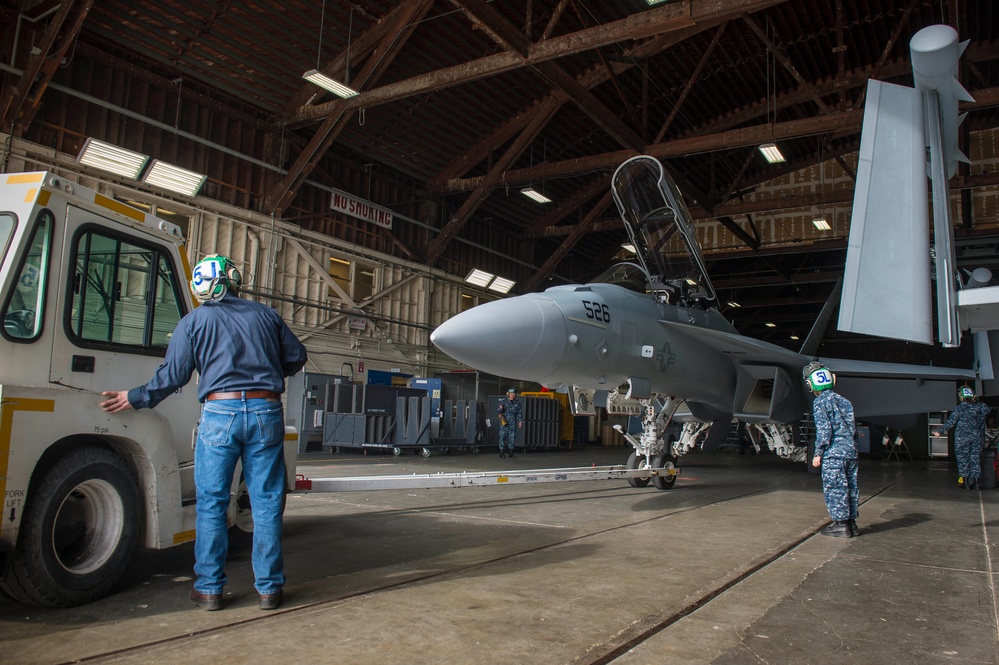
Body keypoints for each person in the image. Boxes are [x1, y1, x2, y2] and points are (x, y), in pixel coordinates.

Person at [100, 254, 307, 611]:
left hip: (219, 413)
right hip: (265, 411)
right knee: (267, 502)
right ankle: (269, 589)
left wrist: (133, 397)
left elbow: (173, 376)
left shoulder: (193, 322)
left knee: (212, 503)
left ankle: (210, 589)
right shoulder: (266, 315)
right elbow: (297, 356)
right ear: (234, 279)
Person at [805, 362, 859, 538]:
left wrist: (818, 453)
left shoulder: (820, 402)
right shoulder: (845, 401)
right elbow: (853, 429)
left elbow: (825, 430)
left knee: (835, 487)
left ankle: (841, 525)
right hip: (850, 452)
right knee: (851, 487)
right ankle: (851, 523)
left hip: (834, 454)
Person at [933, 386, 992, 490]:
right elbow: (988, 410)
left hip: (962, 437)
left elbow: (951, 422)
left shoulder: (960, 408)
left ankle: (965, 483)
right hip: (977, 437)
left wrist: (939, 431)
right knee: (975, 459)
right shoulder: (979, 407)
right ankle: (977, 483)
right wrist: (977, 400)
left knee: (962, 459)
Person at [497, 387, 523, 458]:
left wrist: (520, 421)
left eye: (513, 393)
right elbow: (499, 411)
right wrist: (500, 409)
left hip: (513, 423)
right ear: (508, 394)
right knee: (502, 436)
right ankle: (501, 452)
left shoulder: (517, 403)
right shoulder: (504, 402)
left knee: (512, 437)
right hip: (505, 422)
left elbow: (519, 413)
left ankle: (511, 452)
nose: (512, 395)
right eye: (511, 393)